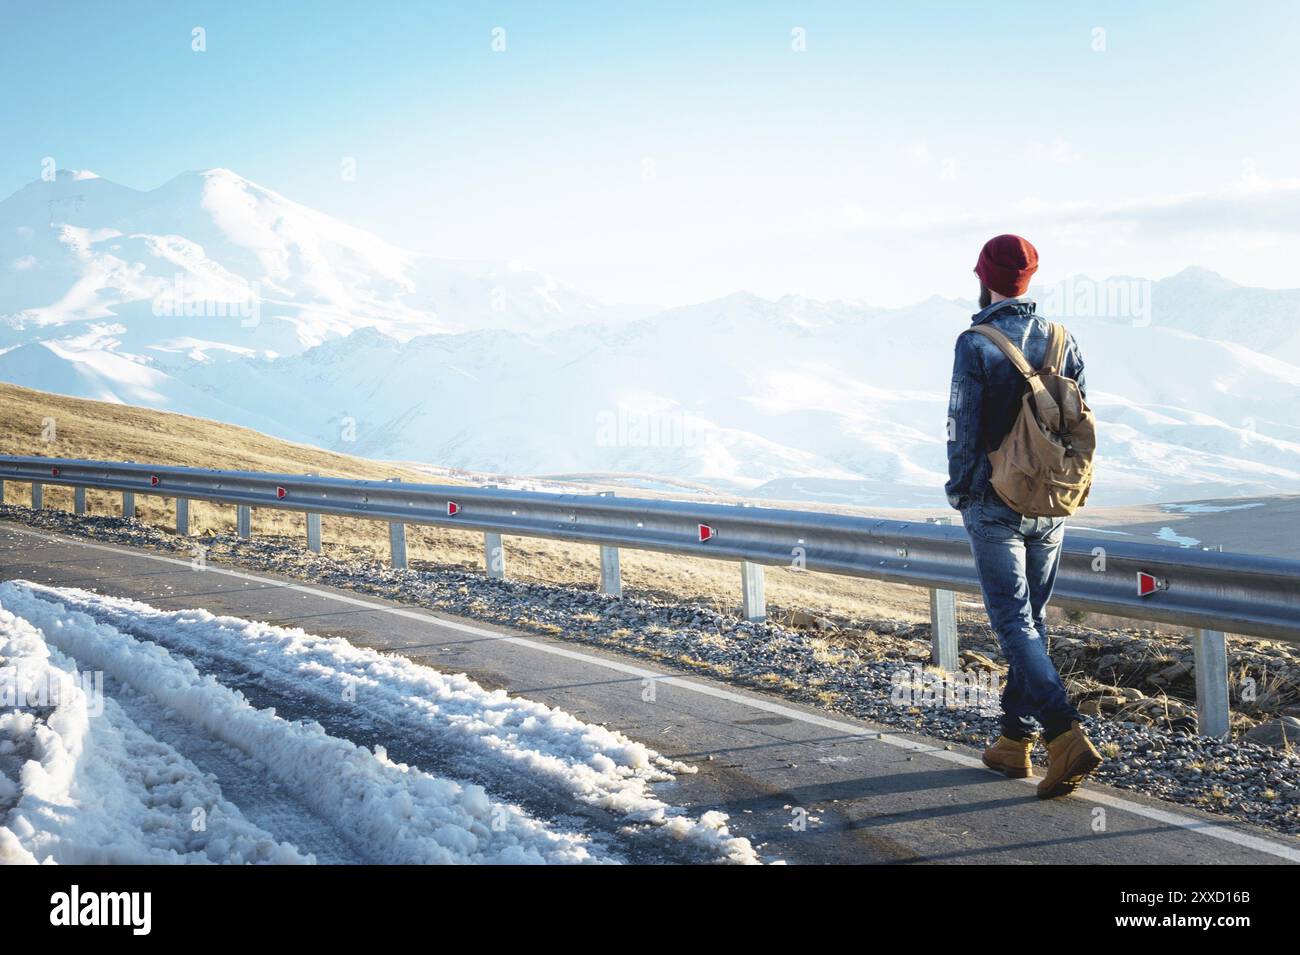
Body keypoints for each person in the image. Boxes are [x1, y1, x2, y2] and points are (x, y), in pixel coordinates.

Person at [945, 234, 1103, 799]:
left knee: (1013, 624)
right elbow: (1077, 420)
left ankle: (1064, 735)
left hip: (995, 501)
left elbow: (963, 424)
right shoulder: (1064, 340)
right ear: (1029, 279)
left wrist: (962, 491)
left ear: (983, 276)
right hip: (1051, 504)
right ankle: (1013, 741)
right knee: (1030, 622)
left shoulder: (976, 342)